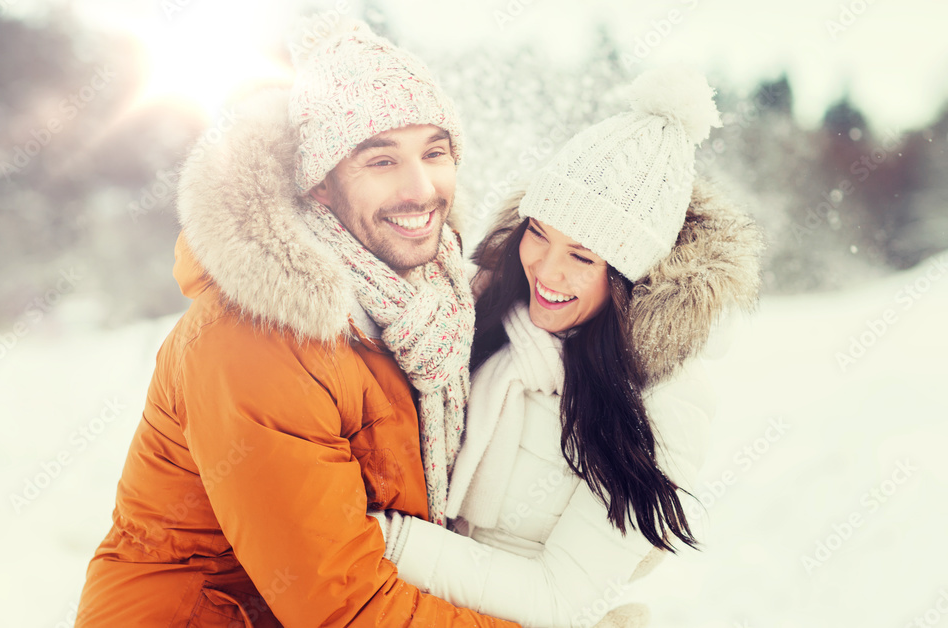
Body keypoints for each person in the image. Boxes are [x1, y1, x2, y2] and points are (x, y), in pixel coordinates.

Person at [76, 20, 520, 626]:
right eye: (381, 159)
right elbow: (345, 606)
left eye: (434, 152)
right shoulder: (256, 340)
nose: (421, 189)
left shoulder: (430, 301)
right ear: (321, 186)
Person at [369, 68, 764, 627]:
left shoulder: (664, 402)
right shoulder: (473, 311)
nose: (546, 271)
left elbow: (557, 596)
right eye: (539, 233)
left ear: (631, 278)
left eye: (583, 257)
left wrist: (384, 538)